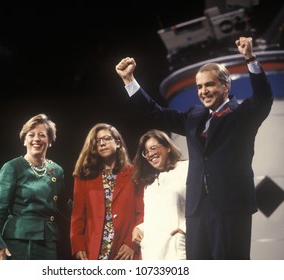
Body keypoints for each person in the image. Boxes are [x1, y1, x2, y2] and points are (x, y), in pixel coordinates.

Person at [115, 37, 273, 259]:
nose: (203, 91)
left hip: (230, 205)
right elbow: (155, 113)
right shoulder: (194, 116)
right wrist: (129, 80)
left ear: (225, 86)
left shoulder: (243, 114)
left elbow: (264, 98)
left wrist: (250, 58)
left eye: (209, 84)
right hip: (197, 208)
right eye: (199, 86)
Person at [0, 113, 72, 260]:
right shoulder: (12, 167)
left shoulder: (57, 171)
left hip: (49, 241)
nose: (36, 139)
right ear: (24, 140)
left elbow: (66, 205)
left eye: (42, 135)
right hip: (18, 241)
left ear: (50, 141)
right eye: (31, 135)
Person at [70, 123, 144, 260]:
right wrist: (78, 245)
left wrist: (131, 243)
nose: (102, 143)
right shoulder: (84, 177)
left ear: (118, 143)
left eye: (106, 138)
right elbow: (77, 216)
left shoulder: (135, 173)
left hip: (124, 250)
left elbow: (142, 212)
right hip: (95, 248)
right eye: (97, 141)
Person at [131, 129, 188, 260]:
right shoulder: (149, 183)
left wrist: (185, 229)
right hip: (152, 252)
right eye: (146, 152)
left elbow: (203, 204)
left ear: (168, 147)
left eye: (153, 148)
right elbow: (155, 216)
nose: (150, 154)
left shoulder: (186, 169)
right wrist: (140, 228)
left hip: (176, 250)